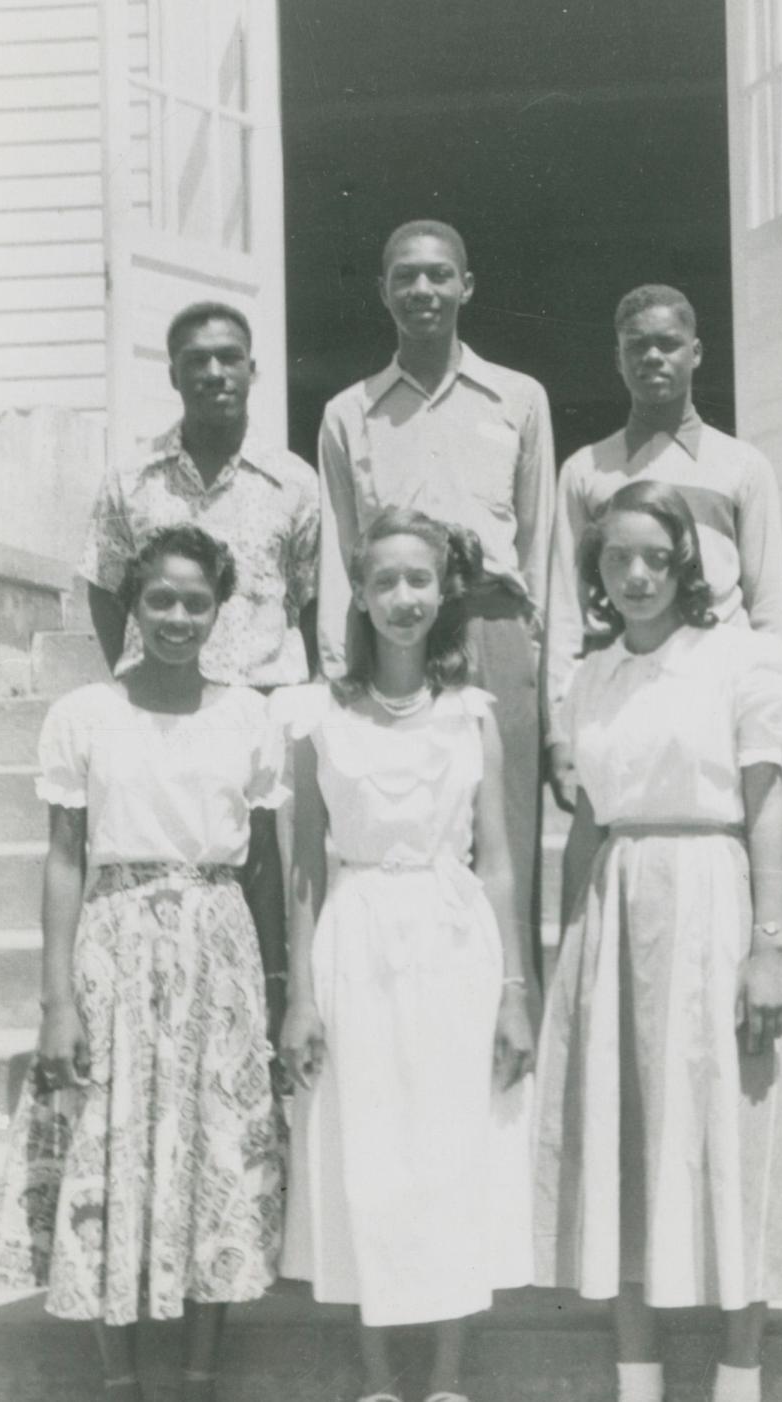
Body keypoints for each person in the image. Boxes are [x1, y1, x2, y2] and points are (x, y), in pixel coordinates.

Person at [533, 483, 782, 1402]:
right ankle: (636, 1372)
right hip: (617, 911)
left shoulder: (740, 661)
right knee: (626, 1132)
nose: (637, 574)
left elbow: (767, 807)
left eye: (655, 555)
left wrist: (771, 946)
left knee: (737, 1127)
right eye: (617, 558)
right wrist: (569, 946)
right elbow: (586, 825)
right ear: (596, 570)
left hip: (716, 899)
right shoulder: (592, 677)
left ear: (686, 560)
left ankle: (740, 1369)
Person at [0, 526, 289, 1402]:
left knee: (216, 1153)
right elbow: (61, 856)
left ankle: (199, 1375)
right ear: (131, 603)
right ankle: (117, 1379)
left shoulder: (247, 714)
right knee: (107, 1146)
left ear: (218, 609)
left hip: (220, 943)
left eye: (196, 601)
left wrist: (272, 987)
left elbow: (266, 865)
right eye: (160, 597)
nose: (177, 616)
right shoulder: (86, 715)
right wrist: (55, 1000)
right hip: (115, 946)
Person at [277, 507, 535, 1402]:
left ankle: (451, 1379)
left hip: (453, 936)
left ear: (442, 593)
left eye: (418, 580)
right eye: (383, 581)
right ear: (361, 594)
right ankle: (382, 1381)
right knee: (369, 1154)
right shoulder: (316, 714)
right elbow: (305, 866)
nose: (402, 598)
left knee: (449, 1152)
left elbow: (497, 860)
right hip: (356, 941)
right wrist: (301, 997)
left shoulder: (472, 715)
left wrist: (512, 990)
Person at [317, 221, 556, 1023]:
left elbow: (543, 541)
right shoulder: (349, 413)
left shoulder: (519, 399)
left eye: (440, 276)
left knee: (506, 840)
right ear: (383, 290)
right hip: (395, 639)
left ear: (467, 286)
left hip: (493, 628)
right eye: (407, 277)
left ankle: (510, 1022)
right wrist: (336, 672)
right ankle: (411, 1023)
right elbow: (336, 553)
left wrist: (552, 687)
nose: (424, 291)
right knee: (400, 833)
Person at [545, 284, 782, 810]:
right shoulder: (586, 471)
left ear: (696, 352)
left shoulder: (742, 466)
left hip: (716, 691)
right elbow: (566, 609)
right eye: (637, 346)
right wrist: (560, 730)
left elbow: (769, 606)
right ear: (618, 359)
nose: (653, 356)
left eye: (669, 343)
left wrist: (771, 711)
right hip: (618, 690)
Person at [81, 301, 320, 688]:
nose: (214, 373)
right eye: (197, 360)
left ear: (251, 371)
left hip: (264, 704)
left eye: (229, 358)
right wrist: (140, 678)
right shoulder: (131, 479)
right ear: (174, 375)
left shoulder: (295, 481)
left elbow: (314, 600)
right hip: (160, 705)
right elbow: (105, 588)